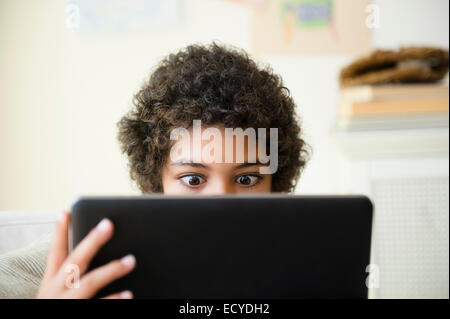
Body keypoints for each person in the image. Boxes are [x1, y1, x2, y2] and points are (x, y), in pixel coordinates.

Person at [0, 43, 309, 299]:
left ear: (275, 184)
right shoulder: (83, 257)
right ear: (154, 184)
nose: (221, 202)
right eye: (193, 179)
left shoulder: (305, 262)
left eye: (246, 179)